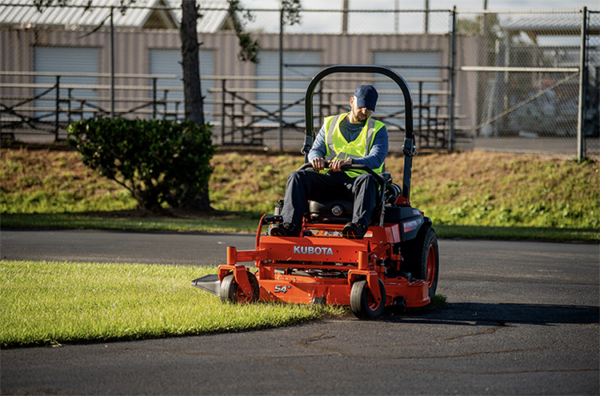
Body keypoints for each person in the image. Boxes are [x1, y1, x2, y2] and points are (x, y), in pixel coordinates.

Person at [270, 84, 389, 239]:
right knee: (297, 176)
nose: (364, 112)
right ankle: (289, 226)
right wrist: (315, 159)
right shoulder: (331, 124)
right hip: (330, 179)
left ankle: (357, 227)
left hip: (357, 183)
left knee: (367, 179)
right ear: (352, 101)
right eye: (361, 107)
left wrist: (350, 162)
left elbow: (377, 158)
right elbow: (315, 150)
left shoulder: (378, 129)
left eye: (369, 109)